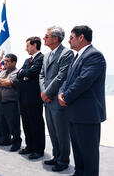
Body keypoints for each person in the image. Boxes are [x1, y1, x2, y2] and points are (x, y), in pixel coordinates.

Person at [58, 25, 106, 176]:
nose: (68, 40)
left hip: (87, 114)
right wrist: (61, 93)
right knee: (78, 152)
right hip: (74, 112)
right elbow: (67, 80)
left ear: (81, 37)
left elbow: (83, 81)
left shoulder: (94, 56)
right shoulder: (78, 57)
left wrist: (65, 97)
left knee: (88, 154)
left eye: (71, 37)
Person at [39, 26, 73, 171]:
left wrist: (47, 92)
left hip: (57, 100)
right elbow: (42, 75)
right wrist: (43, 93)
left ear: (55, 38)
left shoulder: (67, 53)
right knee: (52, 130)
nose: (44, 38)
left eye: (46, 36)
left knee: (62, 132)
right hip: (47, 99)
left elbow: (61, 76)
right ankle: (56, 156)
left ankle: (63, 160)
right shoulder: (46, 56)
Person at [17, 37, 45, 159]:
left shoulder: (41, 58)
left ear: (35, 45)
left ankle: (38, 149)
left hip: (34, 98)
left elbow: (32, 73)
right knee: (26, 123)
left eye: (28, 46)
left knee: (36, 124)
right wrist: (25, 74)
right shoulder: (27, 60)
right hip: (23, 97)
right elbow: (19, 74)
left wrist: (25, 74)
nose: (26, 48)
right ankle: (30, 146)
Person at [0, 53, 22, 152]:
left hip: (11, 103)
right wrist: (3, 82)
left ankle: (16, 143)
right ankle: (6, 140)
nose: (4, 62)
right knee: (3, 123)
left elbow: (9, 83)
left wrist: (2, 82)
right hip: (1, 102)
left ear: (14, 62)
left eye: (7, 61)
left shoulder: (17, 72)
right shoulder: (3, 72)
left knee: (13, 124)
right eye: (4, 60)